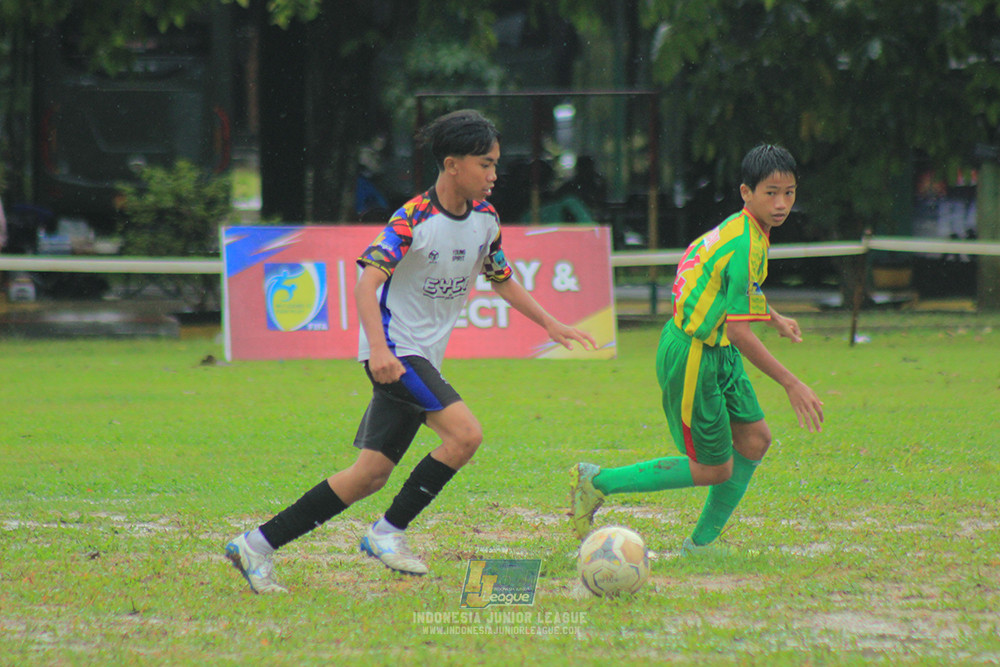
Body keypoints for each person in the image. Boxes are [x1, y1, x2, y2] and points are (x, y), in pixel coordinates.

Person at [226, 109, 596, 593]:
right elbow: (366, 284)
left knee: (368, 475)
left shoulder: (486, 220)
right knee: (465, 436)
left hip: (420, 356)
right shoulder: (413, 219)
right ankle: (388, 532)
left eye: (495, 164)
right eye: (485, 164)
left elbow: (501, 279)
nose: (493, 175)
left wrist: (551, 322)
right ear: (452, 164)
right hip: (397, 354)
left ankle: (256, 544)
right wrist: (379, 351)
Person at [570, 143, 824, 553]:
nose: (781, 203)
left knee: (756, 439)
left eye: (789, 192)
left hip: (716, 348)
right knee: (714, 468)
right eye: (771, 193)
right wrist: (791, 383)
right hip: (692, 354)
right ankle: (597, 482)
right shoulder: (746, 243)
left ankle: (701, 545)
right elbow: (741, 333)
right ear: (746, 192)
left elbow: (728, 288)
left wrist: (772, 316)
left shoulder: (746, 230)